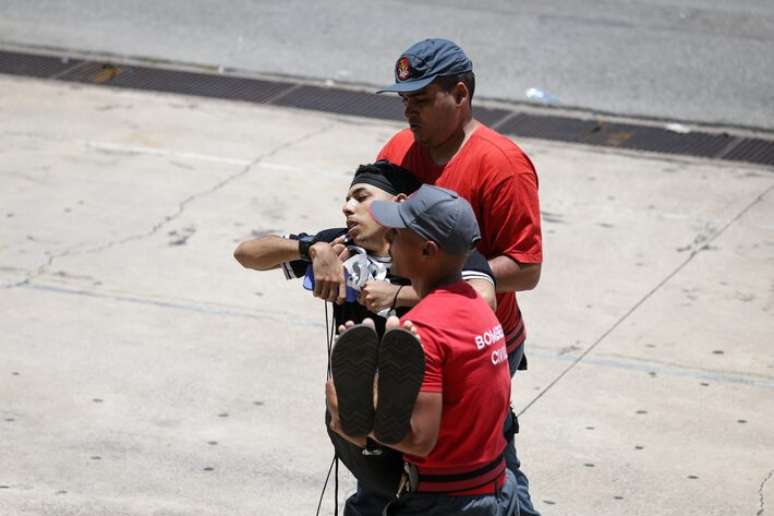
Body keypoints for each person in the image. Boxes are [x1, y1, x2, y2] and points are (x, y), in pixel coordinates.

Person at [233, 161, 497, 514]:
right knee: (375, 485)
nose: (347, 207)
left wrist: (396, 295)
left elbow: (480, 300)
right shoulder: (339, 245)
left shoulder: (439, 251)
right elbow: (246, 254)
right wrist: (311, 249)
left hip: (431, 414)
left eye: (361, 197)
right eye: (347, 199)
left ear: (399, 205)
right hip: (371, 417)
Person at [374, 38, 543, 515]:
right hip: (419, 335)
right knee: (409, 461)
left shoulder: (502, 165)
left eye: (422, 100)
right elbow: (372, 221)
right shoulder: (399, 149)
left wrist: (431, 284)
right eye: (405, 100)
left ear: (461, 95)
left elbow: (526, 266)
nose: (409, 111)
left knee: (486, 462)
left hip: (483, 340)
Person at [326, 185, 519, 515]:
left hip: (445, 502)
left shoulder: (423, 328)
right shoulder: (477, 308)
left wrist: (349, 417)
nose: (390, 237)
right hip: (495, 485)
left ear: (428, 251)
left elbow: (419, 441)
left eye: (399, 233)